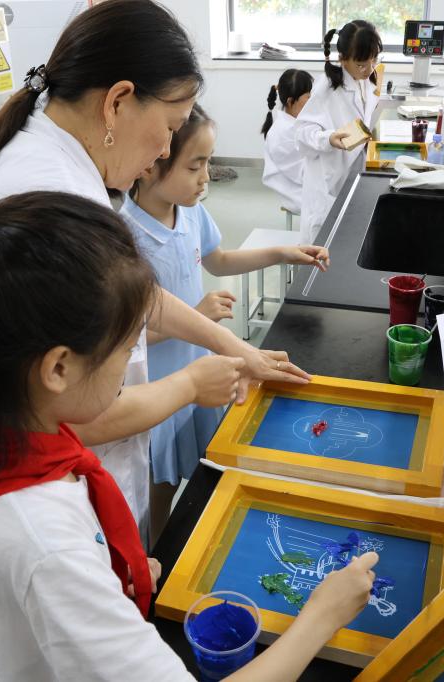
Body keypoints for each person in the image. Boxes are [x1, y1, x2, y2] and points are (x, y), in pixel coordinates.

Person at [0, 191, 378, 681]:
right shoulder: (45, 546)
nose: (131, 363)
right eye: (128, 349)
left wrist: (105, 571)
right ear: (58, 368)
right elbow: (52, 564)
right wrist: (322, 617)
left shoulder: (10, 441)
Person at [0, 0, 310, 544]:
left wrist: (235, 347)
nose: (164, 150)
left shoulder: (69, 168)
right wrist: (190, 383)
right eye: (170, 127)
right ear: (117, 102)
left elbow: (130, 291)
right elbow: (83, 413)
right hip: (70, 506)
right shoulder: (53, 196)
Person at [122, 104, 329, 533]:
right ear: (149, 164)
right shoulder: (125, 236)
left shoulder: (190, 211)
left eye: (208, 163)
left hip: (202, 372)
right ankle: (156, 556)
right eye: (194, 166)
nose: (206, 177)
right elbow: (127, 335)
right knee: (161, 485)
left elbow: (219, 260)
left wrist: (282, 253)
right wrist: (197, 315)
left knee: (206, 465)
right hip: (160, 385)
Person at [295, 21, 383, 243]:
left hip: (352, 171)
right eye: (361, 64)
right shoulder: (327, 87)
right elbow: (302, 131)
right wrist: (328, 138)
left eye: (374, 60)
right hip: (328, 180)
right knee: (322, 243)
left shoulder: (364, 80)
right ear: (342, 59)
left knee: (347, 241)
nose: (369, 69)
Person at [261, 69, 314, 213]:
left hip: (306, 183)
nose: (312, 102)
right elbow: (303, 174)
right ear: (291, 102)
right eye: (308, 97)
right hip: (298, 194)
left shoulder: (295, 123)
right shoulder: (282, 133)